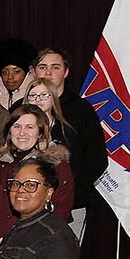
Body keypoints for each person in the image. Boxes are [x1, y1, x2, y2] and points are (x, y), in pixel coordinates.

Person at [30, 48, 105, 234]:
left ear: (66, 71)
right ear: (33, 71)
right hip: (25, 204)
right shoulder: (20, 109)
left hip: (70, 207)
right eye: (42, 67)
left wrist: (69, 192)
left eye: (55, 67)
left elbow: (97, 161)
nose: (48, 72)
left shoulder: (82, 110)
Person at [0, 104, 75, 240]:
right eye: (17, 126)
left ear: (40, 132)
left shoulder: (55, 166)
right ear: (9, 131)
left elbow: (59, 211)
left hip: (36, 245)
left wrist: (16, 240)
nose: (22, 133)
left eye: (29, 127)